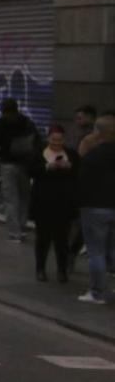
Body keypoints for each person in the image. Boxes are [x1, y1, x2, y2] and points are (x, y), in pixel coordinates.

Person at [74, 115, 115, 304]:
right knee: (112, 250)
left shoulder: (93, 156)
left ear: (97, 132)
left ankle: (97, 293)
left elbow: (82, 184)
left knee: (96, 252)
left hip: (94, 207)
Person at [29, 124, 78, 284]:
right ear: (48, 138)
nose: (57, 143)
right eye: (54, 139)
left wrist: (69, 167)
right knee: (43, 238)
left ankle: (62, 271)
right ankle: (40, 269)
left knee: (62, 239)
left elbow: (79, 171)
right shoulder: (39, 153)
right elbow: (30, 170)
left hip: (63, 203)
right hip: (43, 202)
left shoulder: (71, 154)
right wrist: (47, 166)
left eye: (60, 140)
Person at [0, 98, 38, 242]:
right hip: (25, 165)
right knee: (24, 197)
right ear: (17, 108)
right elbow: (36, 140)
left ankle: (14, 233)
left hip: (7, 165)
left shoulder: (0, 124)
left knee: (11, 199)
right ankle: (22, 227)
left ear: (2, 109)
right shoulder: (27, 122)